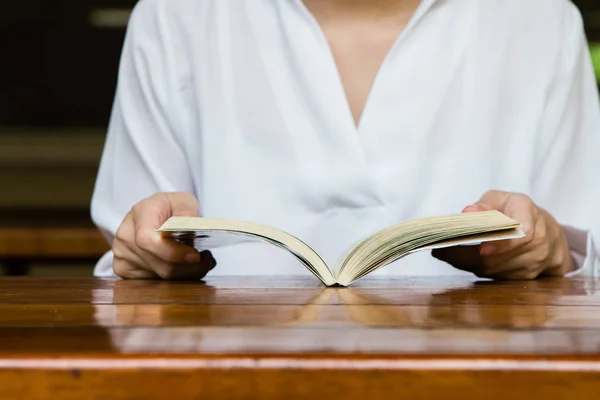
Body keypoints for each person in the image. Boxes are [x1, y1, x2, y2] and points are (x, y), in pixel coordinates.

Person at [91, 0, 600, 281]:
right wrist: (141, 252)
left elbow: (582, 250)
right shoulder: (172, 16)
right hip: (228, 372)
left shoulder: (541, 18)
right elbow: (129, 249)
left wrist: (552, 250)